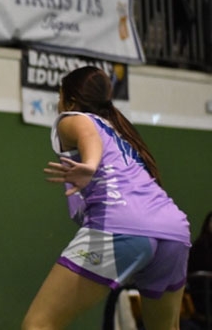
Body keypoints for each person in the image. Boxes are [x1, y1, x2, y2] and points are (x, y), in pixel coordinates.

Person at [22, 66, 191, 330]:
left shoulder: (74, 118)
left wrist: (89, 165)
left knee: (39, 323)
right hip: (173, 231)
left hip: (120, 225)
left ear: (71, 101)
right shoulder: (118, 131)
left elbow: (87, 134)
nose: (58, 103)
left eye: (59, 95)